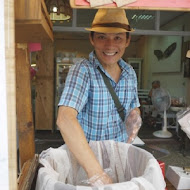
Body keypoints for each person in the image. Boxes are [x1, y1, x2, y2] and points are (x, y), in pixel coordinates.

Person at [56, 9, 142, 186]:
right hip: (86, 164)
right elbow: (65, 118)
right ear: (92, 39)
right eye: (102, 37)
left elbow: (133, 107)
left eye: (117, 37)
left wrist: (135, 116)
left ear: (127, 40)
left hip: (119, 158)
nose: (110, 45)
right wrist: (97, 174)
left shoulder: (130, 73)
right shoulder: (83, 71)